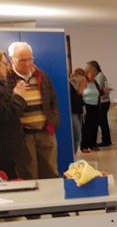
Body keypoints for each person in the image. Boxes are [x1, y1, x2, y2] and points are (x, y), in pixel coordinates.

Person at [6, 42, 60, 179]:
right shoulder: (7, 79)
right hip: (24, 136)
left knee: (51, 173)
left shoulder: (42, 75)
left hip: (45, 132)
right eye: (22, 60)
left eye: (30, 59)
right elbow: (8, 109)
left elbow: (53, 100)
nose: (27, 63)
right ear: (12, 59)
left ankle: (52, 200)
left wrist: (53, 120)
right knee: (29, 175)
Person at [0, 50, 30, 179]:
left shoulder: (4, 85)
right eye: (4, 63)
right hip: (5, 154)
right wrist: (18, 96)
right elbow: (7, 115)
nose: (7, 67)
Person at [87, 61, 112, 147]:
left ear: (94, 69)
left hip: (103, 102)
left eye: (89, 68)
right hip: (101, 101)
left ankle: (106, 140)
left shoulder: (100, 76)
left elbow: (98, 89)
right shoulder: (98, 76)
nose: (87, 69)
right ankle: (106, 140)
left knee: (102, 122)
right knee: (102, 121)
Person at [80, 68, 101, 153]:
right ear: (87, 74)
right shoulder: (83, 82)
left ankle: (93, 144)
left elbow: (98, 93)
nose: (93, 76)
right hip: (86, 106)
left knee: (94, 126)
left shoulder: (95, 83)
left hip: (95, 106)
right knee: (86, 127)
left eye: (95, 75)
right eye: (92, 74)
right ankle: (84, 145)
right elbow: (80, 93)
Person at [68, 68, 87, 154]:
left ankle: (73, 156)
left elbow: (80, 99)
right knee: (77, 137)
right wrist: (81, 90)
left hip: (78, 111)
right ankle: (72, 156)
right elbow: (72, 100)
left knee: (78, 137)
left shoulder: (75, 85)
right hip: (72, 112)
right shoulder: (70, 85)